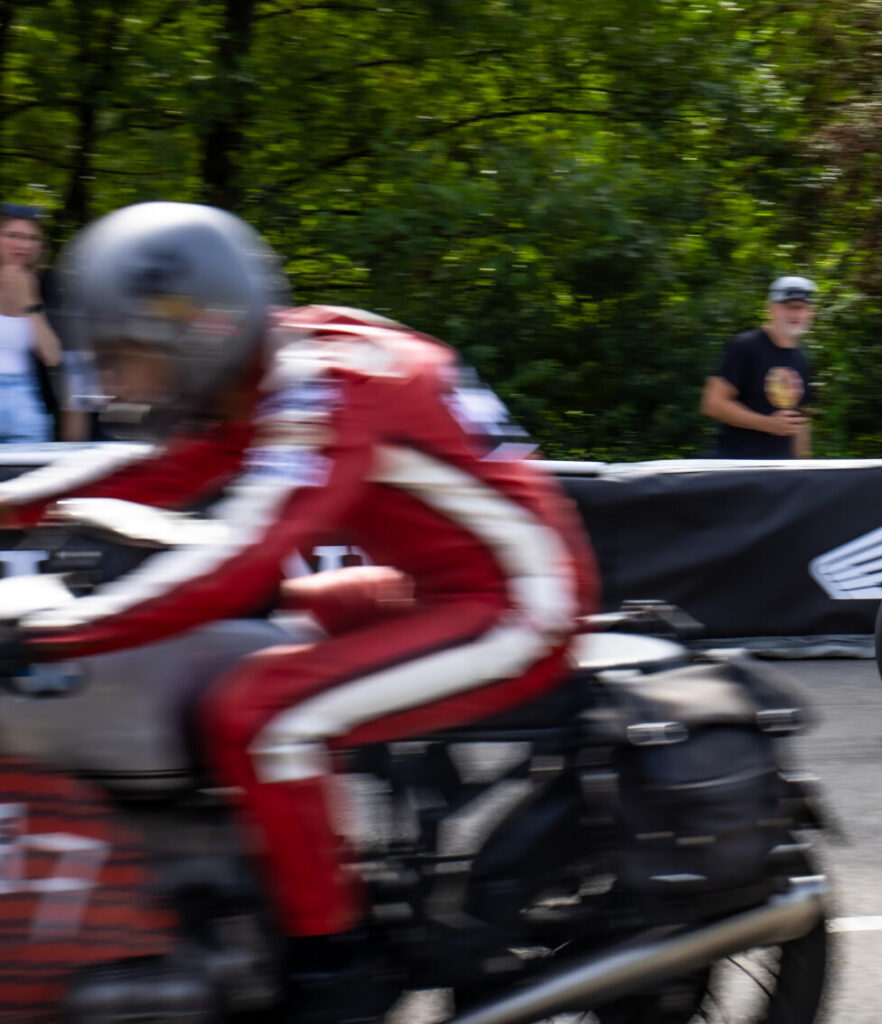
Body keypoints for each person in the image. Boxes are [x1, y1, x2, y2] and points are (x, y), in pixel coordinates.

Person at [0, 202, 597, 1017]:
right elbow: (165, 472)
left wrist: (56, 633)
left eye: (134, 357)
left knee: (259, 712)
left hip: (520, 602)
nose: (123, 383)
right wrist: (12, 506)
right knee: (255, 637)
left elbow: (240, 552)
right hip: (440, 586)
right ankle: (296, 862)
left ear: (199, 329)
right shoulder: (282, 362)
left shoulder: (326, 389)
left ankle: (332, 961)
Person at [700, 275, 816, 459]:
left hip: (781, 471)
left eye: (802, 307)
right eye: (788, 307)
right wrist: (767, 424)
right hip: (737, 467)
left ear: (811, 312)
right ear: (770, 308)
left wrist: (803, 467)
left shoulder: (802, 357)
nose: (795, 314)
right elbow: (713, 404)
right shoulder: (744, 346)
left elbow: (800, 420)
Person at [0, 202, 67, 443]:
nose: (24, 245)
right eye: (13, 236)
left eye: (32, 238)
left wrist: (30, 303)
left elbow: (52, 357)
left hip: (26, 402)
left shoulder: (46, 282)